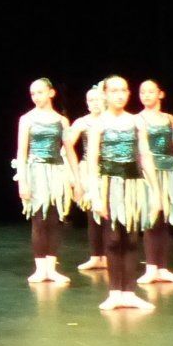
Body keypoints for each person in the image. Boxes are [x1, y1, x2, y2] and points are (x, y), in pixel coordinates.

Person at [84, 75, 157, 313]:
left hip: (133, 184)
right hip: (109, 184)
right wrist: (95, 194)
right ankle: (115, 292)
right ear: (105, 94)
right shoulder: (98, 124)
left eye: (124, 90)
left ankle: (130, 292)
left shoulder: (136, 121)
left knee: (132, 238)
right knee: (114, 238)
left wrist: (155, 191)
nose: (119, 94)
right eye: (114, 90)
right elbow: (93, 160)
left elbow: (144, 155)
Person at [13, 78, 75, 284]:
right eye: (33, 94)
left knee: (54, 219)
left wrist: (76, 179)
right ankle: (40, 268)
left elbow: (69, 151)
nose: (36, 97)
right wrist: (22, 180)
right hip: (36, 170)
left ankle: (52, 267)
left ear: (51, 92)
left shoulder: (62, 121)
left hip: (56, 170)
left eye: (40, 92)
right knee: (39, 218)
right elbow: (22, 152)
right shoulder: (27, 119)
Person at [136, 79, 173, 287]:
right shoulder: (138, 119)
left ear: (161, 94)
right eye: (143, 92)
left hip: (169, 171)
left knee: (167, 219)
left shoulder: (170, 119)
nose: (146, 95)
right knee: (152, 219)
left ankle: (163, 268)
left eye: (151, 91)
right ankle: (151, 268)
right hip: (149, 173)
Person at [65, 83, 107, 272]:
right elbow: (67, 146)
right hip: (89, 171)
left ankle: (109, 255)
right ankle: (96, 256)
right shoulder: (82, 122)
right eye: (90, 100)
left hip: (110, 170)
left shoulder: (111, 120)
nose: (94, 103)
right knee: (92, 215)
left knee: (109, 213)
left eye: (97, 99)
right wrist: (72, 175)